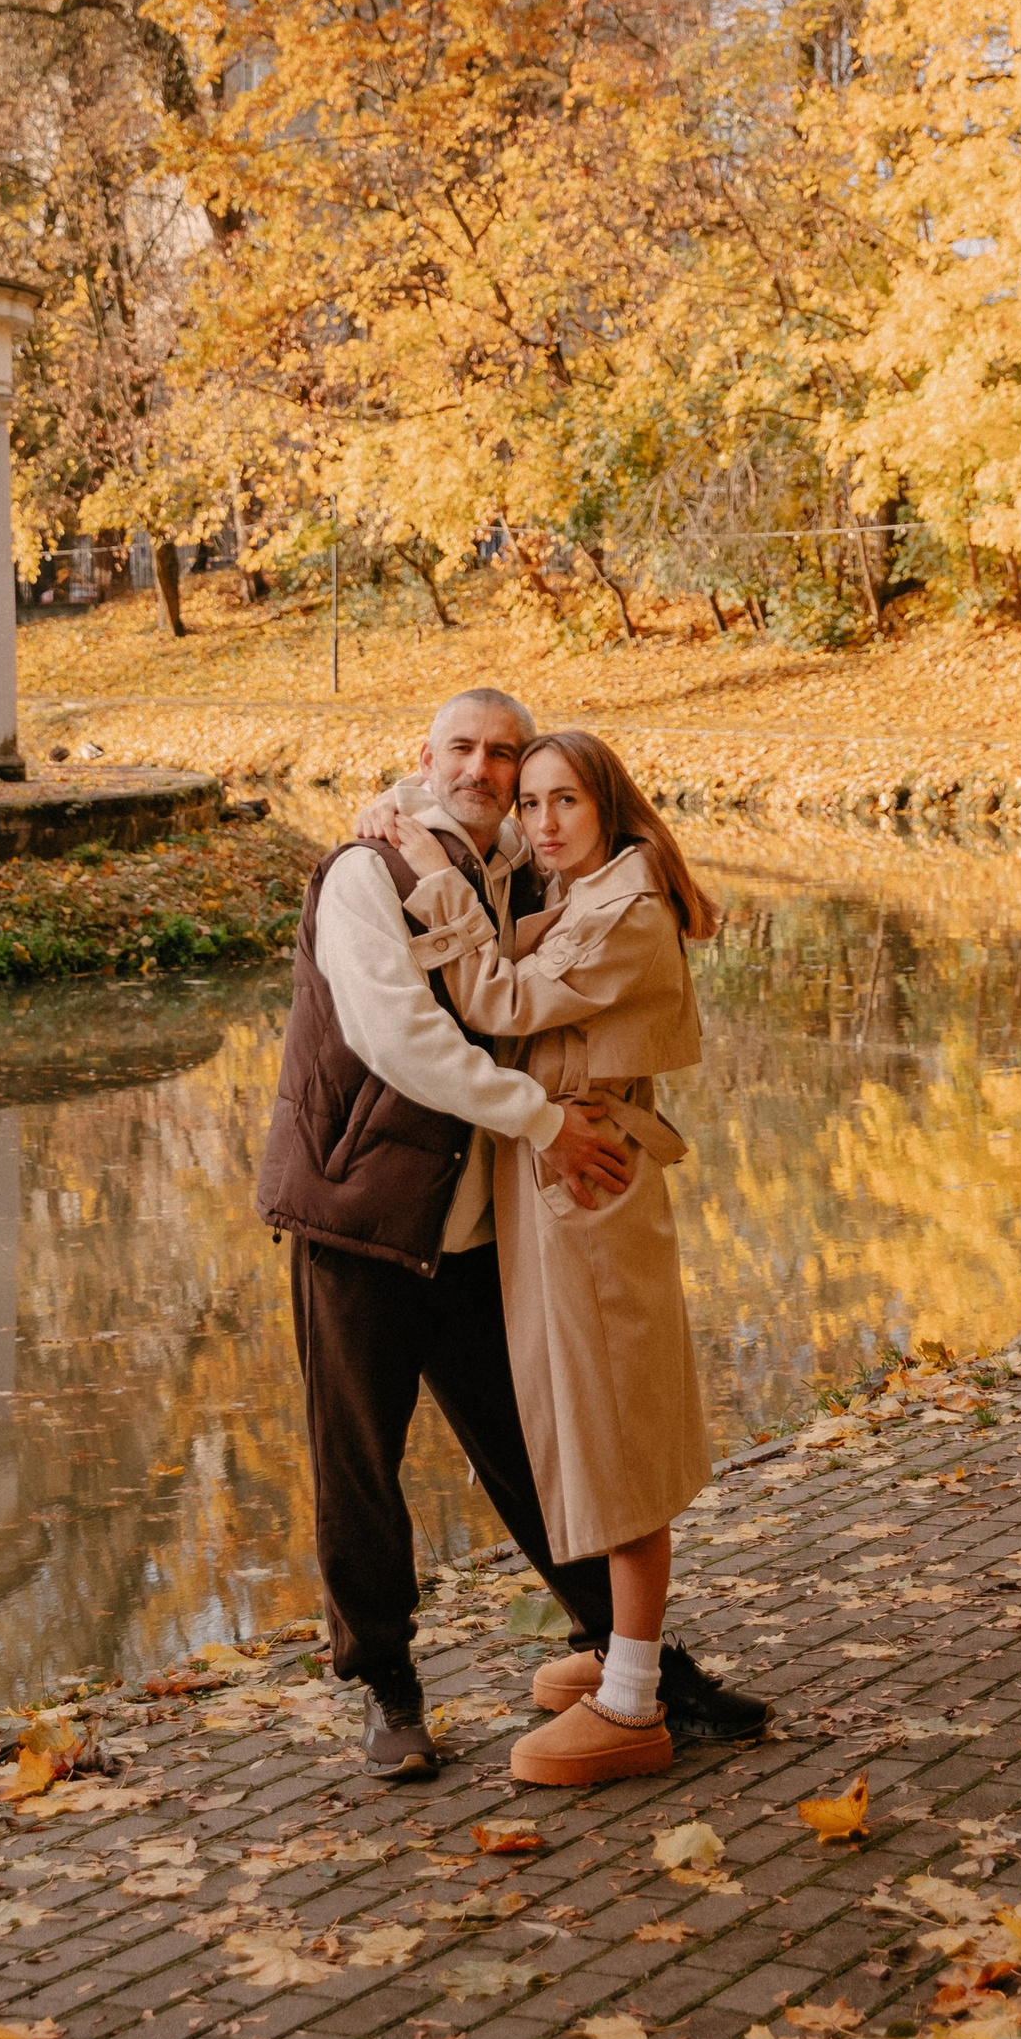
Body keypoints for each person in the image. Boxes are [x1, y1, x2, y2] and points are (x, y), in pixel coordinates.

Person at [381, 728, 719, 1791]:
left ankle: (632, 1706)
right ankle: (620, 1653)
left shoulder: (625, 906)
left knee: (615, 1430)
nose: (540, 823)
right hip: (563, 1184)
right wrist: (405, 811)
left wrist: (433, 876)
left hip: (594, 1189)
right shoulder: (580, 891)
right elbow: (451, 793)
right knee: (578, 1417)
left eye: (563, 801)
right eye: (529, 805)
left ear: (608, 805)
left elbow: (501, 1003)